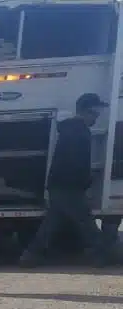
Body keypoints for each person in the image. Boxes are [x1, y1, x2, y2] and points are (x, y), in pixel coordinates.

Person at [21, 93, 112, 267]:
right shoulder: (79, 131)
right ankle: (102, 255)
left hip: (60, 185)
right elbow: (75, 161)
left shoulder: (70, 128)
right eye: (96, 112)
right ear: (88, 111)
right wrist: (84, 182)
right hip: (69, 186)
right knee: (86, 223)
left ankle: (31, 255)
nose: (97, 116)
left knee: (52, 223)